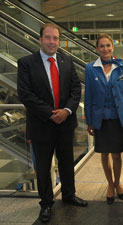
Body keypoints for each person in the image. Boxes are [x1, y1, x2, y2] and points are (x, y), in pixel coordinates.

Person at [17, 23, 87, 223]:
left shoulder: (67, 60)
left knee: (67, 163)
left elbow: (76, 89)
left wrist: (66, 111)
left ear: (59, 41)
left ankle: (69, 195)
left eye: (55, 38)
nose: (52, 42)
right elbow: (25, 94)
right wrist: (50, 113)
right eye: (48, 37)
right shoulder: (26, 63)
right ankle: (46, 203)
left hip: (65, 124)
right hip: (41, 125)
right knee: (44, 167)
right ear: (40, 39)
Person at [84, 33, 123, 205]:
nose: (105, 49)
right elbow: (89, 97)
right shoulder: (90, 68)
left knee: (116, 154)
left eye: (108, 45)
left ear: (112, 47)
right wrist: (89, 121)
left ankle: (118, 182)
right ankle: (109, 185)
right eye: (102, 46)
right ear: (97, 49)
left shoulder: (122, 67)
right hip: (99, 119)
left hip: (116, 118)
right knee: (104, 153)